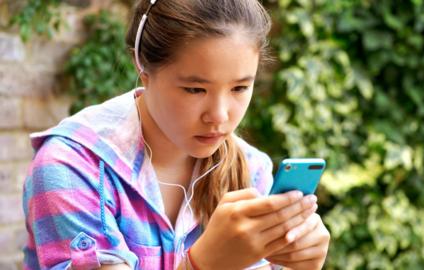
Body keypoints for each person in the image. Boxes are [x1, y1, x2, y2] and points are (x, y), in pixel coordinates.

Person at [22, 0, 330, 269]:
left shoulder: (251, 170)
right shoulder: (71, 169)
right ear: (142, 66)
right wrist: (202, 265)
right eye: (195, 89)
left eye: (239, 88)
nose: (220, 116)